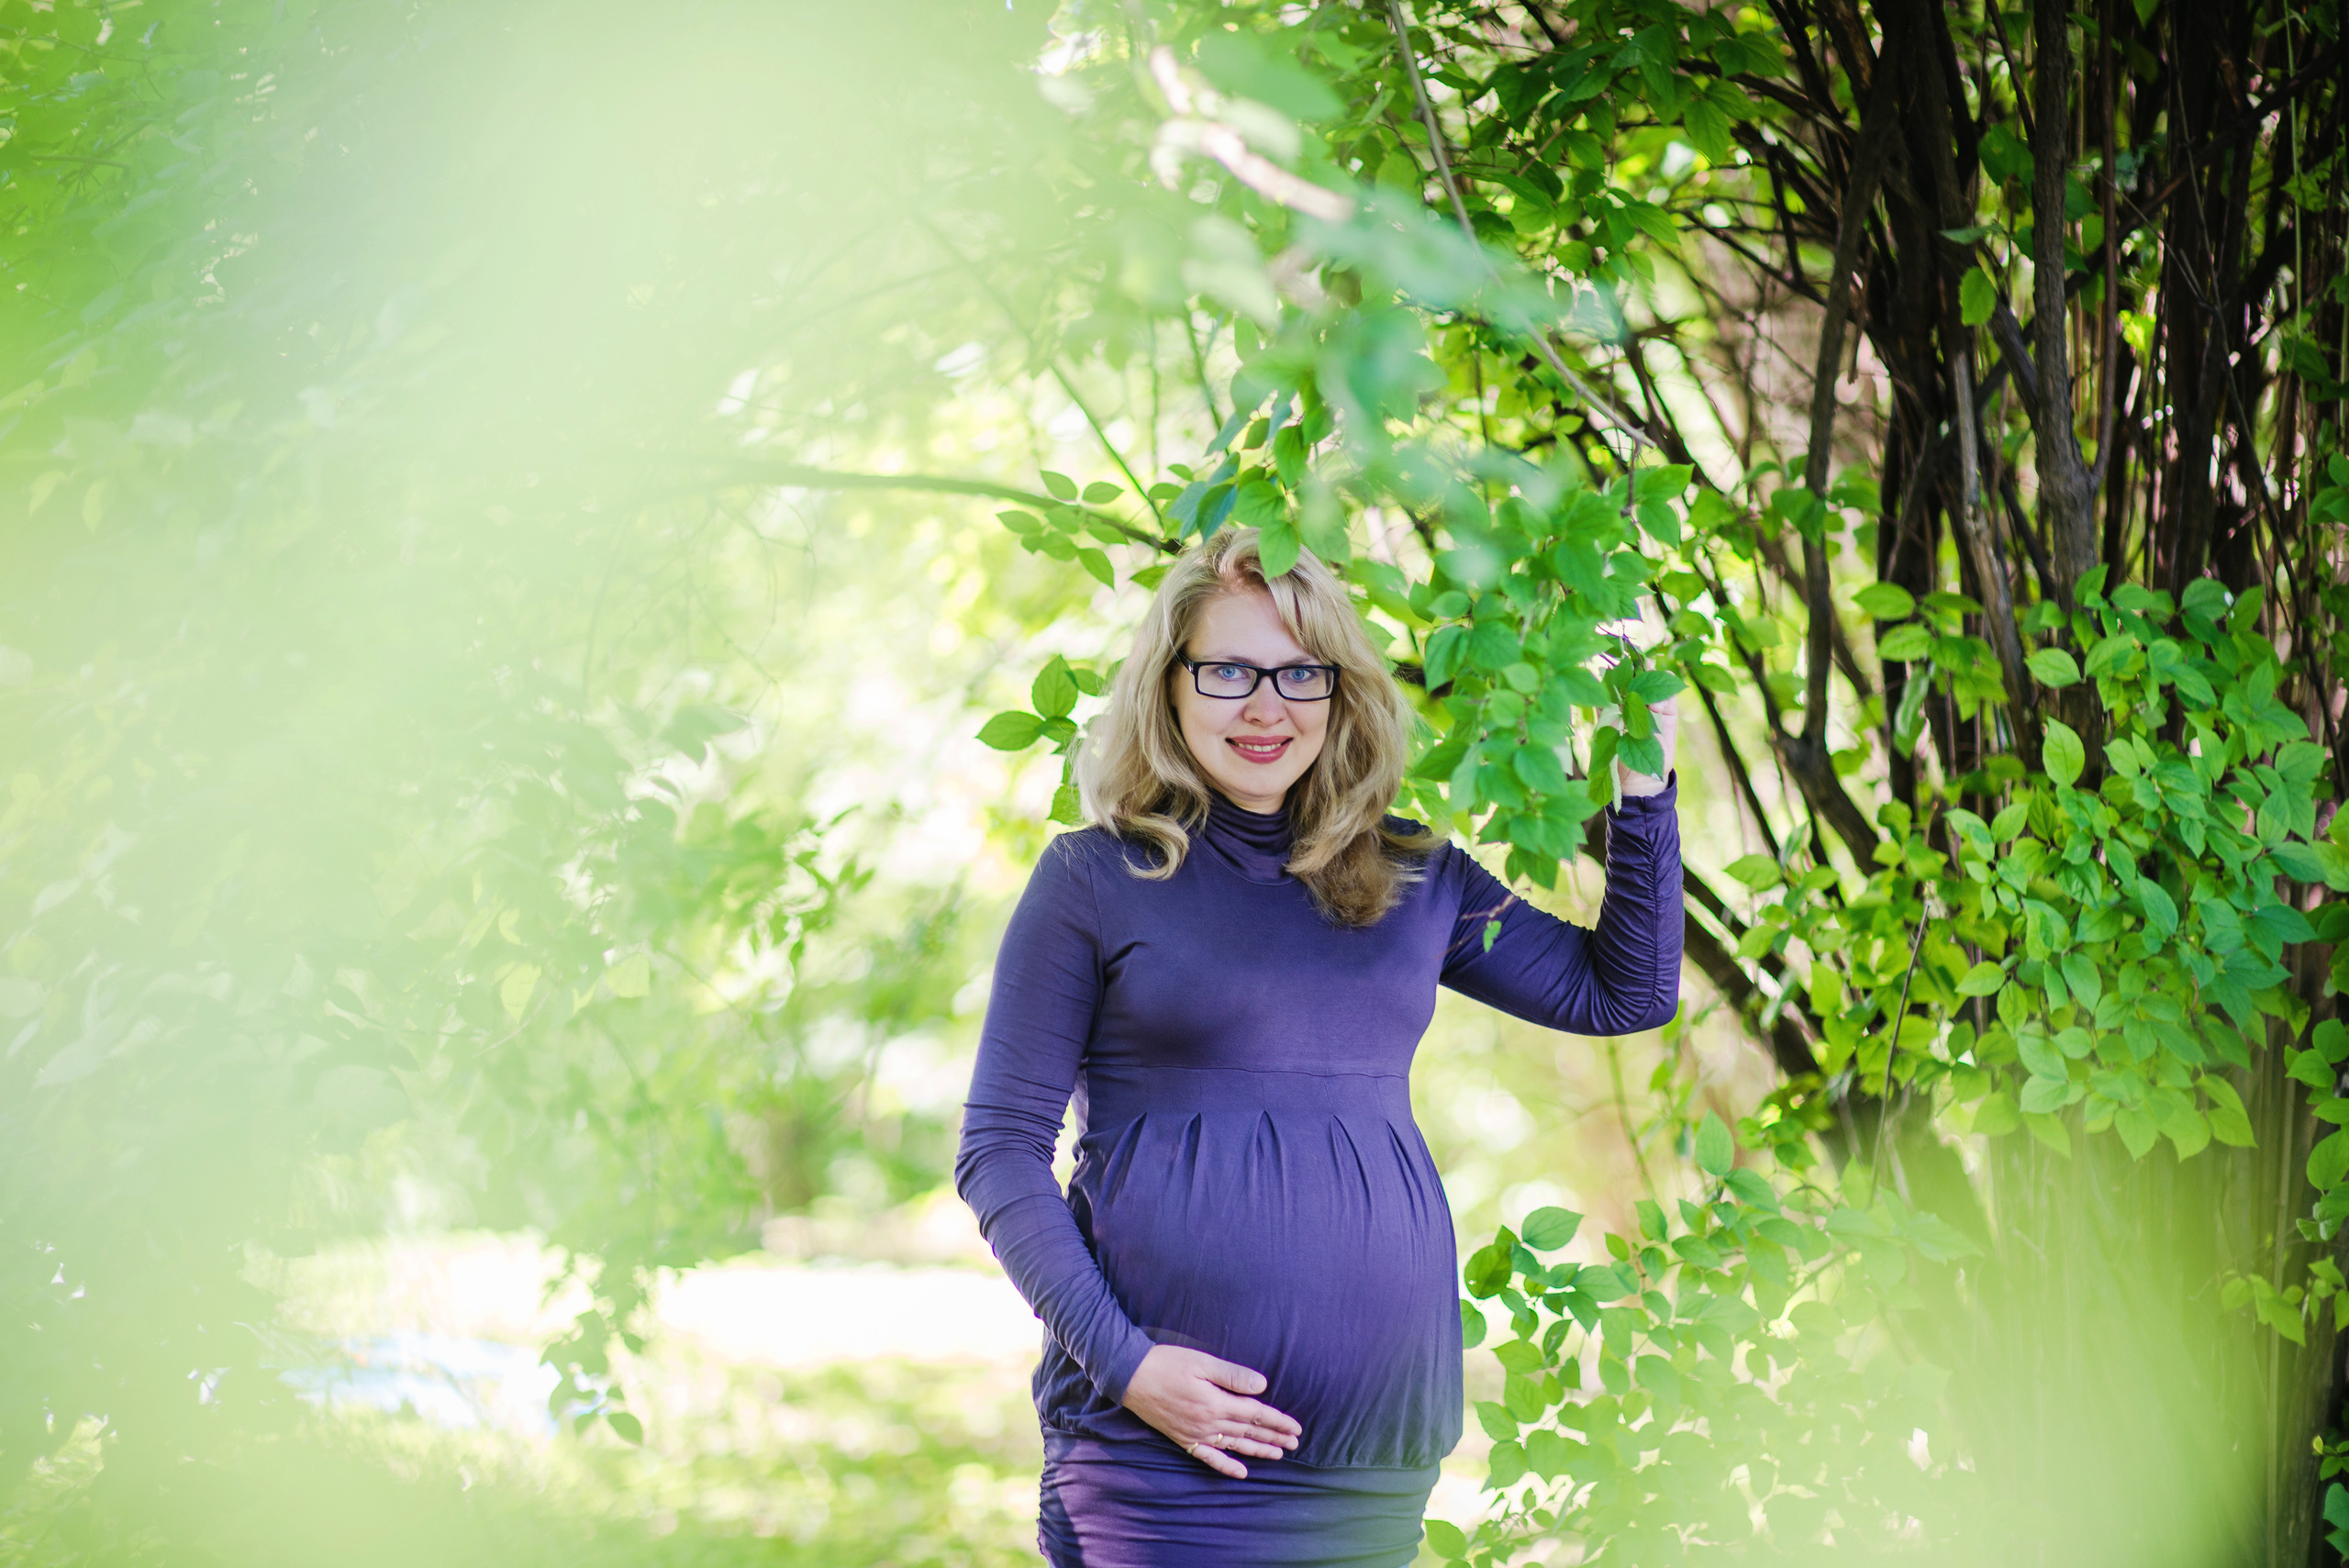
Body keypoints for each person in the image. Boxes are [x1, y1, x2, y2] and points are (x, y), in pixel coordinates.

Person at [955, 527, 1683, 1567]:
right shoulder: (1094, 878)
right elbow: (999, 1152)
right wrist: (1127, 1365)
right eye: (1229, 670)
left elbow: (1624, 991)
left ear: (1342, 693)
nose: (1267, 705)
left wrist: (1642, 791)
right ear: (1168, 685)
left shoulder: (1415, 875)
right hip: (1159, 1448)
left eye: (1301, 671)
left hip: (1371, 1461)